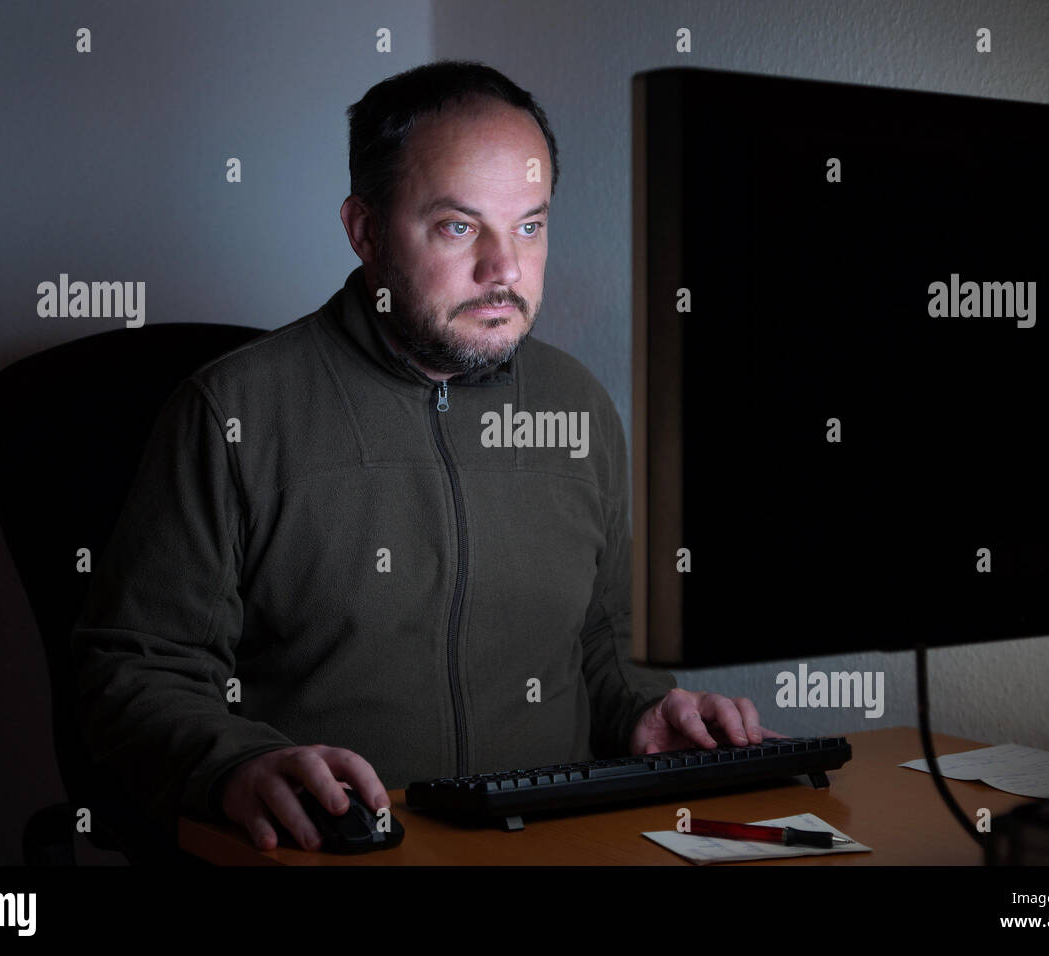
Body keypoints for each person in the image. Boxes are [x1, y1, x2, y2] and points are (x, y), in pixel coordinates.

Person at [71, 59, 776, 855]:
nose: (504, 269)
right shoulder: (231, 413)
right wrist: (240, 761)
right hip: (333, 855)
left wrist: (653, 712)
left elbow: (607, 650)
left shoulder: (576, 406)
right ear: (366, 231)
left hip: (556, 848)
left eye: (530, 226)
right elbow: (134, 672)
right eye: (458, 226)